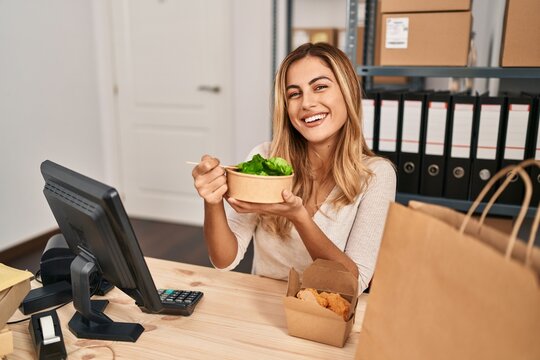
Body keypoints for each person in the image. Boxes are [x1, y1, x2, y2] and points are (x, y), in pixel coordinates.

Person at [191, 42, 396, 292]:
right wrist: (212, 201)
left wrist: (299, 217)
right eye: (294, 94)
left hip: (326, 316)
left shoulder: (376, 175)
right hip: (260, 306)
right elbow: (224, 260)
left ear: (348, 92)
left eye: (320, 87)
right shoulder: (264, 158)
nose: (307, 103)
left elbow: (353, 283)